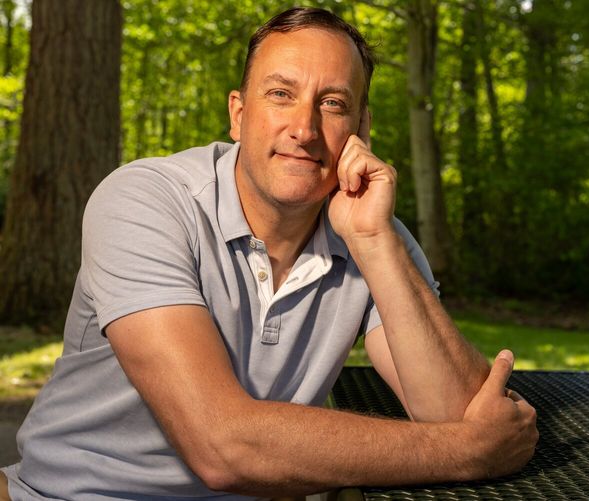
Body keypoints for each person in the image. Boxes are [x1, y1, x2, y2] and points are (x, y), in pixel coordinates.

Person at [0, 7, 537, 500]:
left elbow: (464, 413)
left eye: (332, 104)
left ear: (361, 129)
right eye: (281, 94)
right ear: (238, 114)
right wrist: (463, 453)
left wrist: (376, 244)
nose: (304, 129)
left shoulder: (374, 233)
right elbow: (222, 447)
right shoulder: (145, 200)